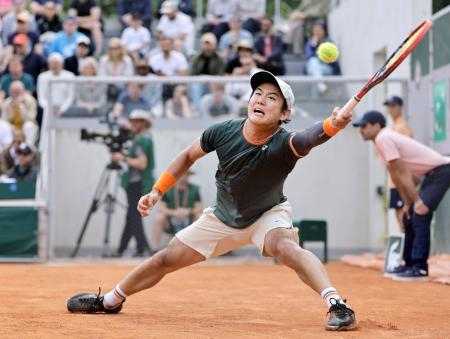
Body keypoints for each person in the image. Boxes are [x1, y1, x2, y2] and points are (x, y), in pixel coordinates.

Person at [66, 70, 357, 332]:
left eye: (272, 98)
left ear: (284, 113)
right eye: (258, 94)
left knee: (287, 248)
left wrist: (333, 124)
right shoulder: (223, 131)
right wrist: (157, 191)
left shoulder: (284, 143)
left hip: (267, 214)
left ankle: (337, 306)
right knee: (165, 259)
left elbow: (309, 138)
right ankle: (110, 301)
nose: (261, 100)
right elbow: (187, 156)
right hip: (221, 216)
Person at [353, 111, 450, 281]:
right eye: (360, 127)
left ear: (376, 126)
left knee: (420, 214)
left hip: (442, 171)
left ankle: (420, 268)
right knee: (409, 215)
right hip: (430, 175)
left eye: (364, 126)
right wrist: (407, 203)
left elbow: (402, 172)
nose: (361, 130)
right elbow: (395, 176)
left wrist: (417, 201)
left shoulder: (384, 137)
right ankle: (409, 264)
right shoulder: (379, 143)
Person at [111, 109, 155, 257]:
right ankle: (122, 250)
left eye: (138, 121)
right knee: (131, 216)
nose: (134, 123)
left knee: (134, 216)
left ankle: (141, 249)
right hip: (140, 183)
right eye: (133, 121)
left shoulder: (140, 140)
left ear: (144, 123)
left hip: (137, 183)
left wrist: (122, 158)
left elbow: (142, 164)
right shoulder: (146, 138)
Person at [383, 95, 414, 232]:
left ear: (400, 107)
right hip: (395, 178)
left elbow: (403, 152)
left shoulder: (401, 126)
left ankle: (407, 244)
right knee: (399, 212)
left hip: (400, 178)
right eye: (389, 106)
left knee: (403, 213)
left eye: (393, 106)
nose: (391, 109)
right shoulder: (395, 126)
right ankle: (405, 243)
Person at [150, 171, 202, 251]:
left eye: (185, 174)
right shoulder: (168, 189)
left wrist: (188, 212)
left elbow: (199, 208)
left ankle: (198, 248)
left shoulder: (194, 189)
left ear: (188, 176)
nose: (183, 177)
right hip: (170, 222)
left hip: (189, 222)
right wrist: (174, 213)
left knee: (199, 216)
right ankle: (154, 248)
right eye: (180, 174)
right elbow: (161, 208)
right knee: (159, 217)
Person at [304, 19, 341, 96]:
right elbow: (309, 56)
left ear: (324, 31)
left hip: (327, 68)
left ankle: (316, 97)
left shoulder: (329, 41)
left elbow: (331, 60)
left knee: (313, 70)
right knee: (313, 63)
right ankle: (321, 86)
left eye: (319, 30)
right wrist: (313, 44)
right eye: (315, 30)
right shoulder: (310, 42)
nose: (317, 32)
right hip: (315, 68)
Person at [2, 80, 38, 144]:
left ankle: (28, 147)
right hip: (12, 127)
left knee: (29, 125)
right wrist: (13, 128)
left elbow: (31, 118)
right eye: (13, 92)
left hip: (25, 126)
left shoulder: (31, 101)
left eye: (18, 91)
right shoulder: (6, 103)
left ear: (23, 91)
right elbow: (4, 120)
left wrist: (22, 107)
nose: (16, 94)